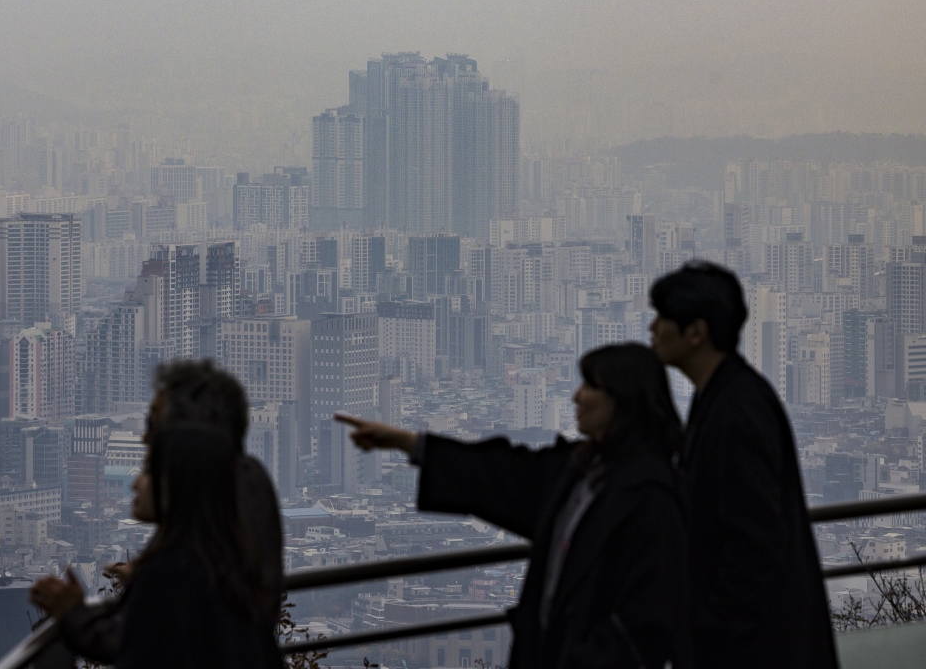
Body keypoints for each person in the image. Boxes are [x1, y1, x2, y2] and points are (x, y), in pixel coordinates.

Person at [339, 343, 689, 669]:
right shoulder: (578, 470)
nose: (576, 396)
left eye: (591, 387)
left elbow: (649, 621)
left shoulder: (651, 499)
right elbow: (500, 472)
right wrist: (409, 443)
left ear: (623, 401)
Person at [648, 261, 837, 669]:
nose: (653, 329)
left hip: (754, 649)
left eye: (662, 317)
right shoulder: (720, 397)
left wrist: (708, 630)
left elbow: (755, 544)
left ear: (696, 333)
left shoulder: (737, 412)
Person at [30, 360, 283, 663]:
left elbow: (145, 646)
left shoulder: (183, 562)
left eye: (154, 424)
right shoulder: (246, 487)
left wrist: (78, 614)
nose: (145, 437)